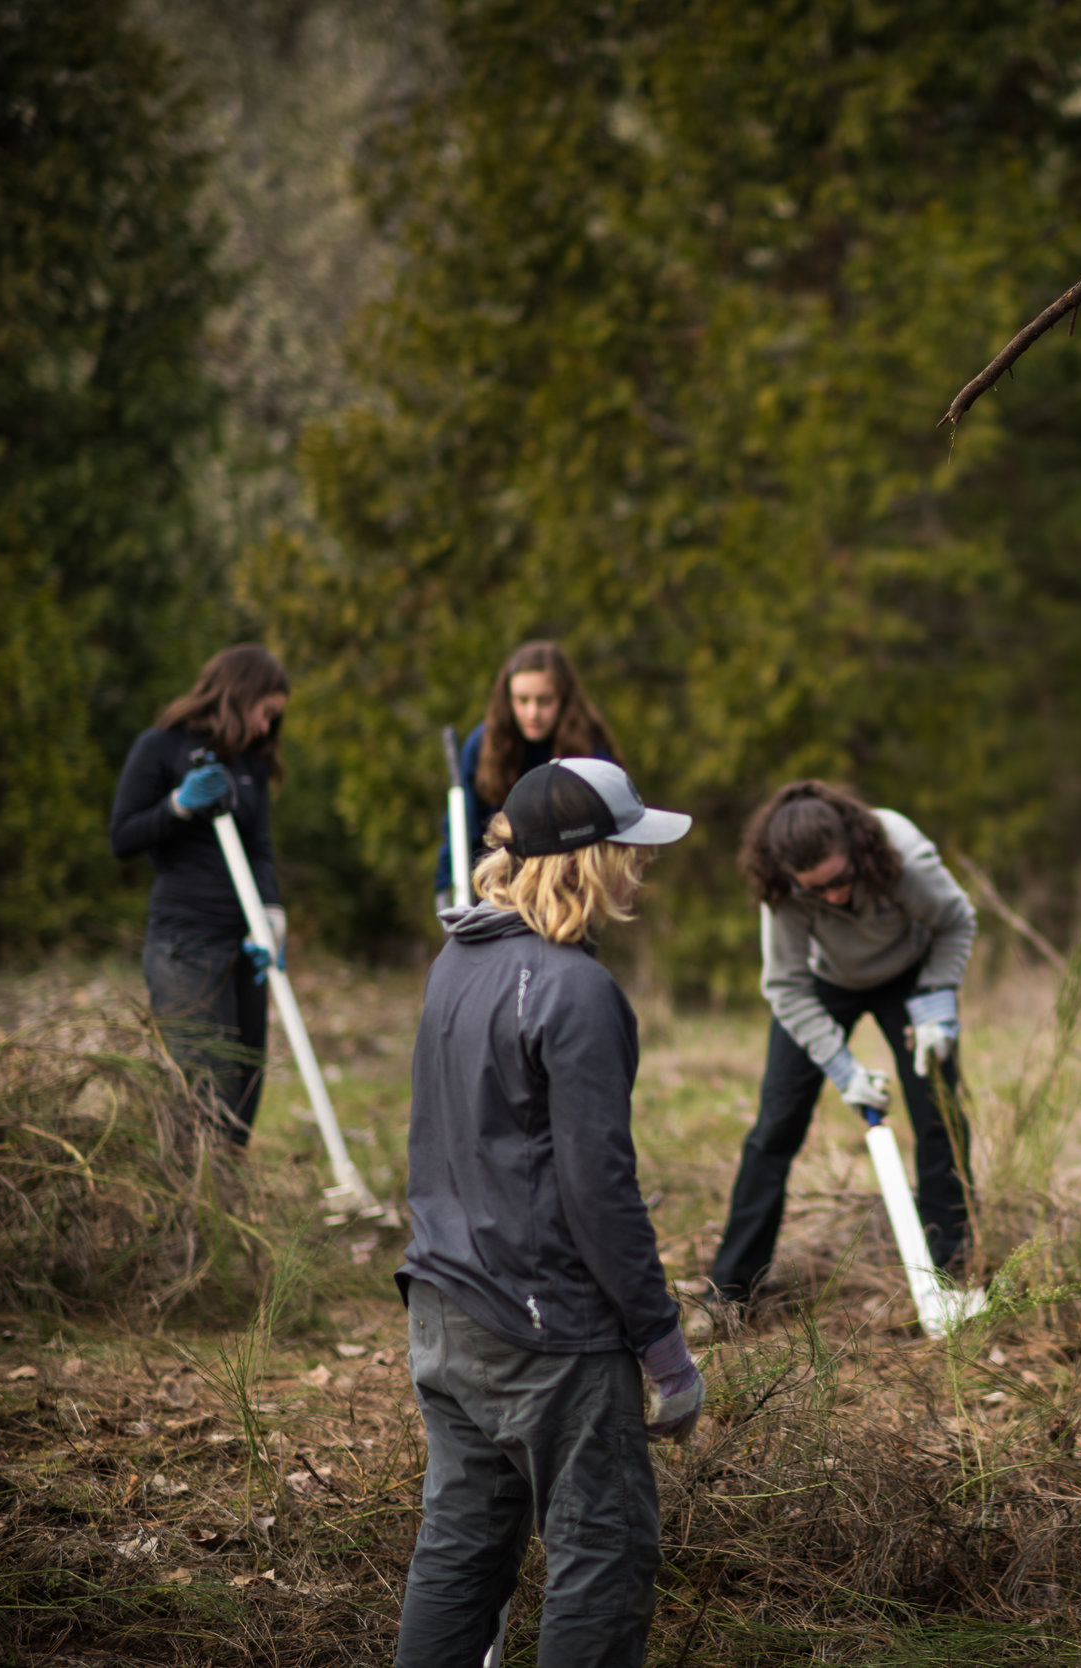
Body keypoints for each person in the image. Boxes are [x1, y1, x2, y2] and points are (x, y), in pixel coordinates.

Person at [395, 758, 703, 1668]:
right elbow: (600, 1190)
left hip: (445, 1311)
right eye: (626, 847)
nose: (640, 866)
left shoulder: (457, 960)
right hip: (546, 1334)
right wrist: (663, 1346)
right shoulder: (577, 993)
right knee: (602, 1556)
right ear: (585, 859)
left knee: (459, 1552)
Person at [706, 781, 978, 1309]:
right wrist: (842, 1068)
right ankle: (731, 1289)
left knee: (938, 1113)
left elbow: (955, 921)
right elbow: (784, 985)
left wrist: (936, 1003)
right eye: (816, 891)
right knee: (776, 1126)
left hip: (911, 974)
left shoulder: (902, 855)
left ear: (857, 851)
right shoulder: (782, 890)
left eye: (841, 881)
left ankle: (950, 1274)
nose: (832, 897)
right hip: (824, 983)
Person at [109, 644, 293, 1144]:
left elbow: (259, 846)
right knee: (205, 1093)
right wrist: (178, 806)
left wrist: (272, 915)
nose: (265, 729)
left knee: (245, 1086)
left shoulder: (252, 761)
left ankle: (228, 1206)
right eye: (265, 714)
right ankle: (194, 1211)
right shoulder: (161, 746)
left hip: (244, 943)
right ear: (240, 695)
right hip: (185, 946)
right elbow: (122, 836)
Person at [435, 641, 623, 914]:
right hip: (497, 895)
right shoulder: (484, 745)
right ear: (508, 698)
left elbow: (613, 828)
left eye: (544, 701)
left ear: (564, 699)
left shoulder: (589, 750)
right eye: (522, 701)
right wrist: (447, 886)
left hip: (569, 897)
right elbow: (462, 826)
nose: (532, 713)